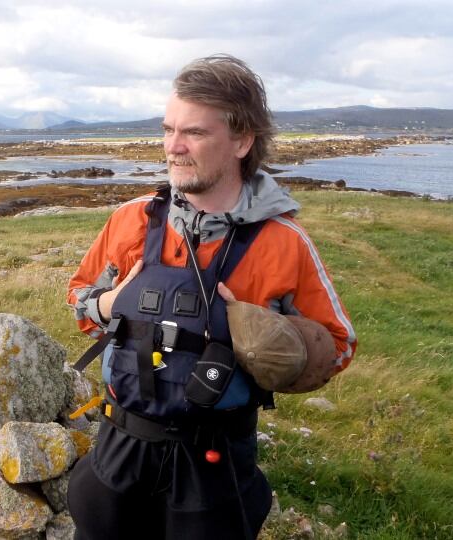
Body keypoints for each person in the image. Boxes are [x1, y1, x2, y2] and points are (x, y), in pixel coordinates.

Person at [65, 54, 357, 540]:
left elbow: (337, 345)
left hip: (214, 463)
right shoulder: (132, 220)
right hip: (119, 448)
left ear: (242, 141)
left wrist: (268, 340)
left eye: (194, 133)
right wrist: (108, 304)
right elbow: (79, 298)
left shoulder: (283, 242)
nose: (173, 148)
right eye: (167, 129)